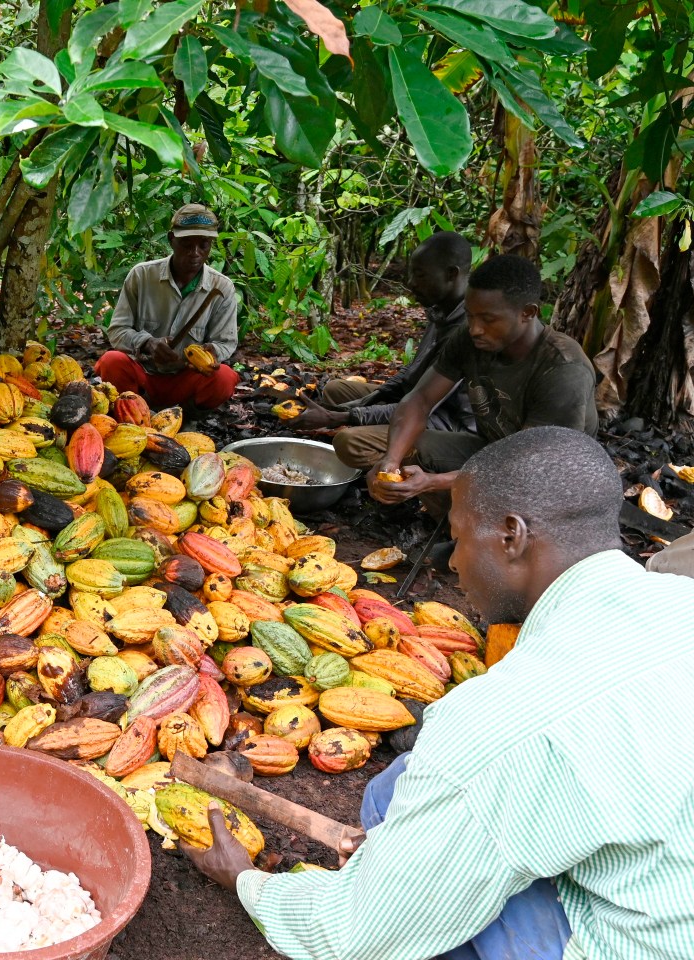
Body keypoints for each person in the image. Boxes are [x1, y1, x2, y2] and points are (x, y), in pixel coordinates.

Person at [187, 426, 694, 960]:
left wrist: (246, 881)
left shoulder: (504, 719)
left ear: (511, 535)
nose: (452, 563)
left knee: (422, 905)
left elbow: (357, 936)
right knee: (397, 789)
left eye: (458, 537)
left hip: (645, 942)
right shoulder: (679, 598)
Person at [366, 254, 597, 516]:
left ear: (527, 313)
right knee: (412, 445)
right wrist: (391, 460)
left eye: (488, 319)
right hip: (492, 453)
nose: (475, 329)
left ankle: (478, 531)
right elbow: (420, 399)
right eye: (470, 316)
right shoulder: (470, 338)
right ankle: (454, 523)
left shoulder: (563, 369)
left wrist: (433, 482)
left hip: (548, 482)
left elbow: (530, 468)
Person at [290, 232, 477, 468]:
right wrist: (360, 403)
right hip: (417, 401)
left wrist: (342, 417)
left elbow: (422, 406)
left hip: (446, 422)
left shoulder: (470, 327)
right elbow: (412, 374)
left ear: (451, 274)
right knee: (337, 390)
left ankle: (407, 470)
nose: (410, 283)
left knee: (349, 442)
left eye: (420, 275)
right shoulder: (441, 310)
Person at [94, 203, 240, 411]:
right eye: (187, 245)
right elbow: (118, 331)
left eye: (204, 245)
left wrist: (210, 352)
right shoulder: (142, 276)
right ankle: (132, 411)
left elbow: (226, 342)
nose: (195, 253)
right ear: (172, 240)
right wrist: (147, 343)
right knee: (112, 361)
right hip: (144, 374)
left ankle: (186, 415)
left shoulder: (222, 287)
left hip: (185, 380)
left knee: (224, 378)